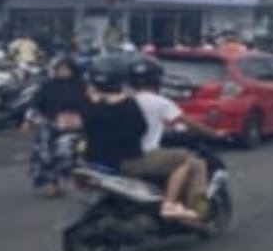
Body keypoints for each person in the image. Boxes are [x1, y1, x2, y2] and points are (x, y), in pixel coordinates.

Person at [82, 55, 204, 222]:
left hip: (95, 161)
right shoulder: (129, 105)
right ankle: (171, 205)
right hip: (128, 161)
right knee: (185, 159)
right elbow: (140, 129)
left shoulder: (89, 106)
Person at [22, 56, 87, 198]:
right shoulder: (47, 85)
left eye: (66, 69)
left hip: (76, 127)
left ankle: (68, 181)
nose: (62, 72)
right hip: (50, 125)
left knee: (68, 152)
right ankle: (50, 183)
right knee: (45, 154)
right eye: (59, 69)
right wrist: (28, 121)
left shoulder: (82, 86)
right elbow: (35, 104)